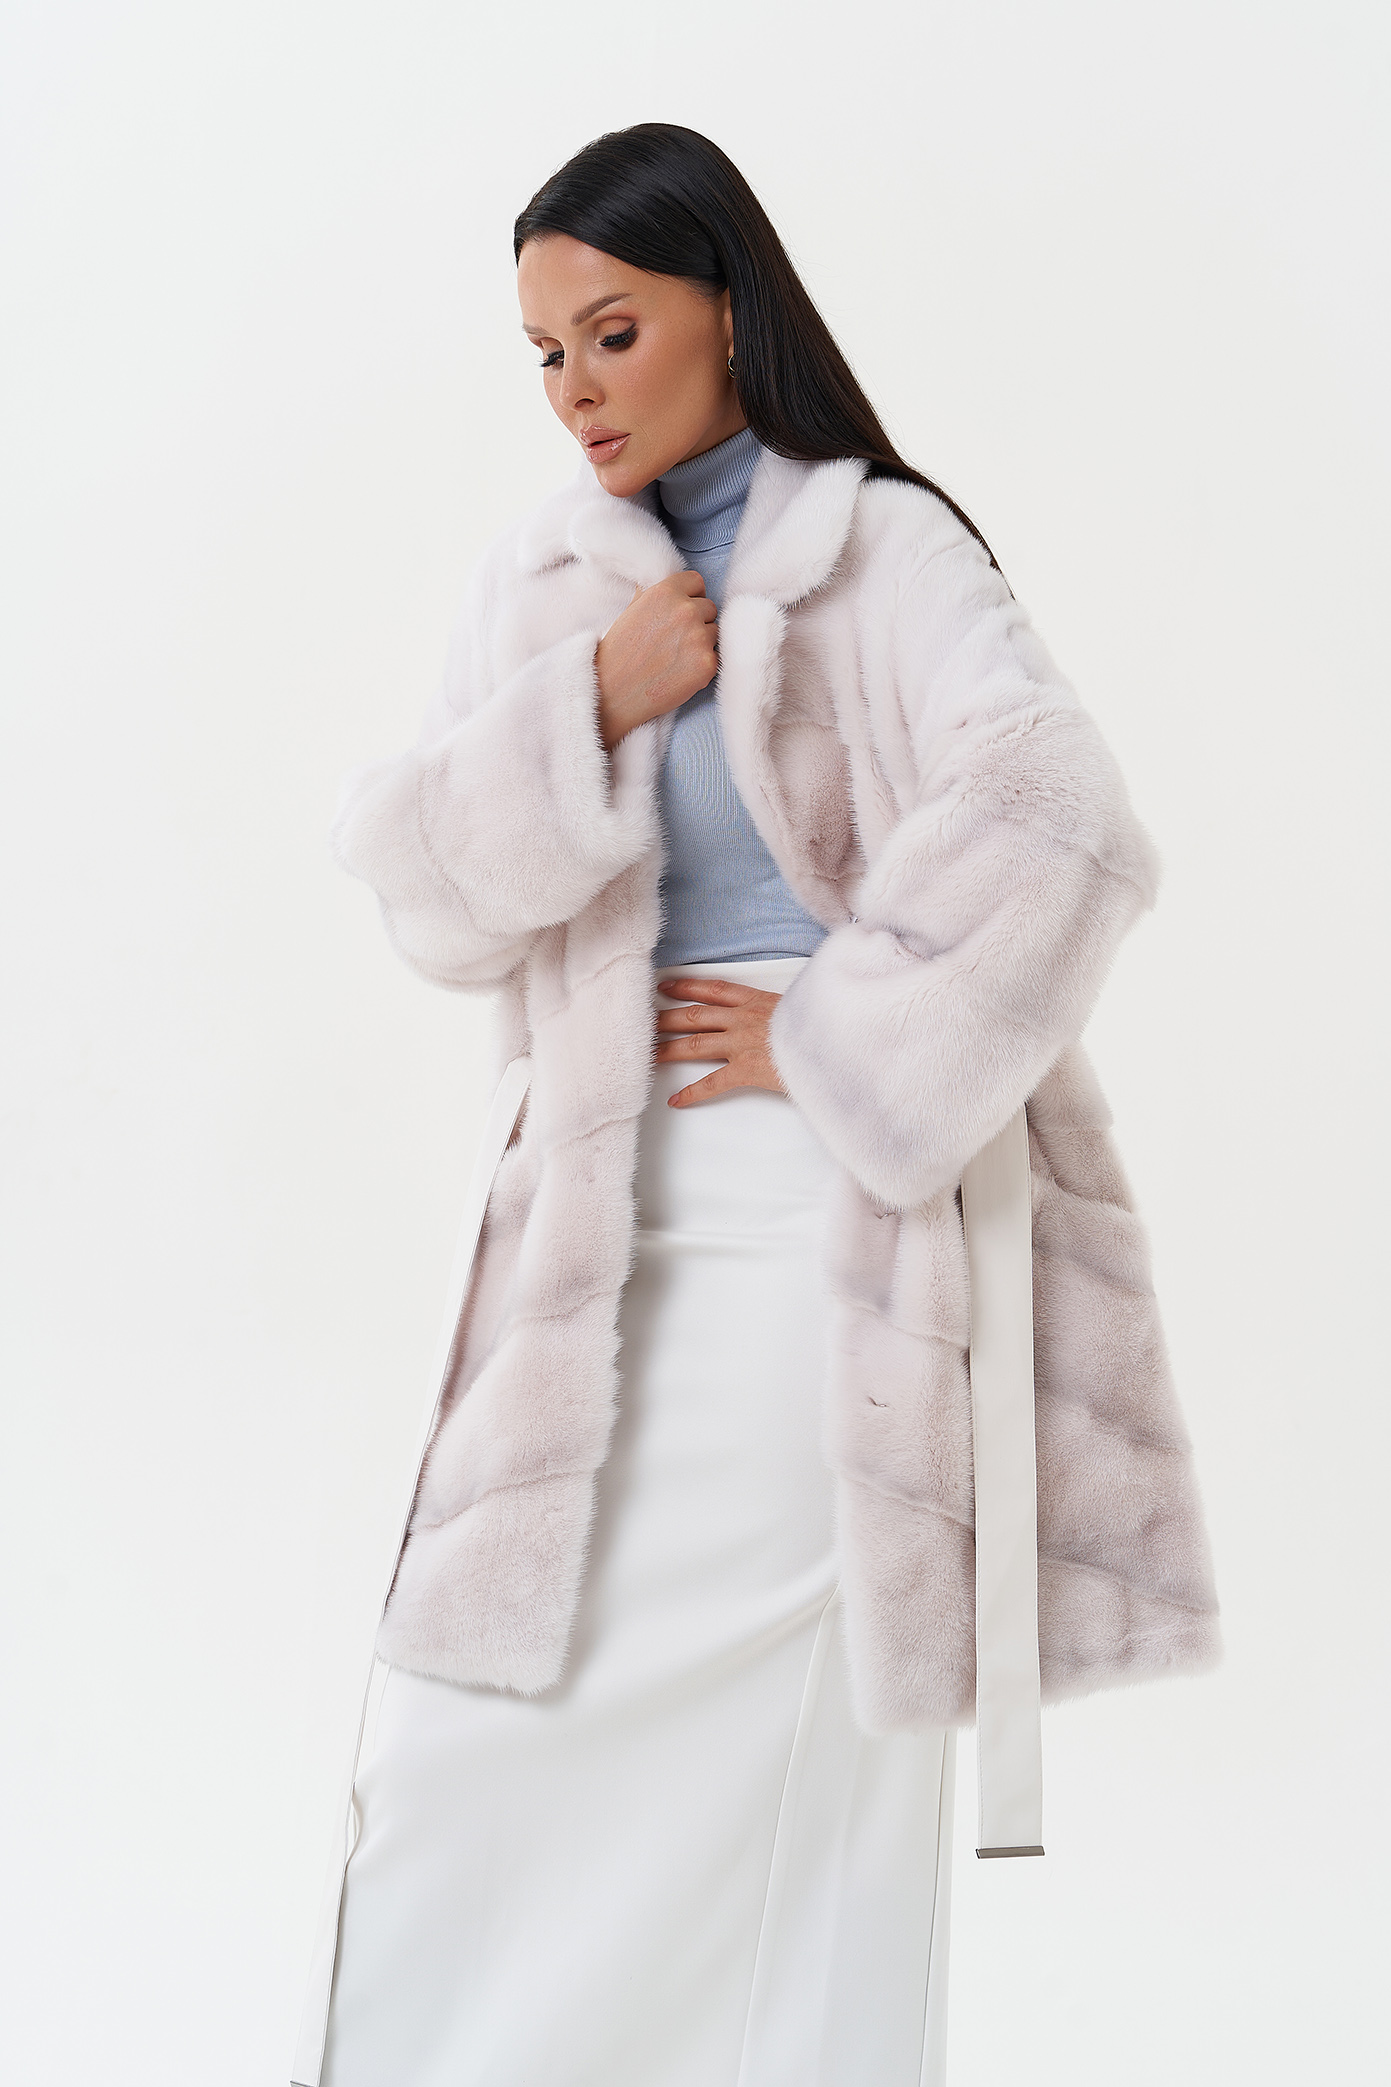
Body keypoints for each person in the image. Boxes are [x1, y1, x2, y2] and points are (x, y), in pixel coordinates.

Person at [300, 122, 1219, 2087]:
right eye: (546, 354)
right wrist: (593, 704)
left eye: (613, 332)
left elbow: (1059, 812)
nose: (577, 390)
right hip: (587, 1248)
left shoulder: (884, 552)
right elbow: (429, 902)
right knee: (458, 1754)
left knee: (795, 1788)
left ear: (730, 306)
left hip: (823, 1246)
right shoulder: (543, 582)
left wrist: (827, 1030)